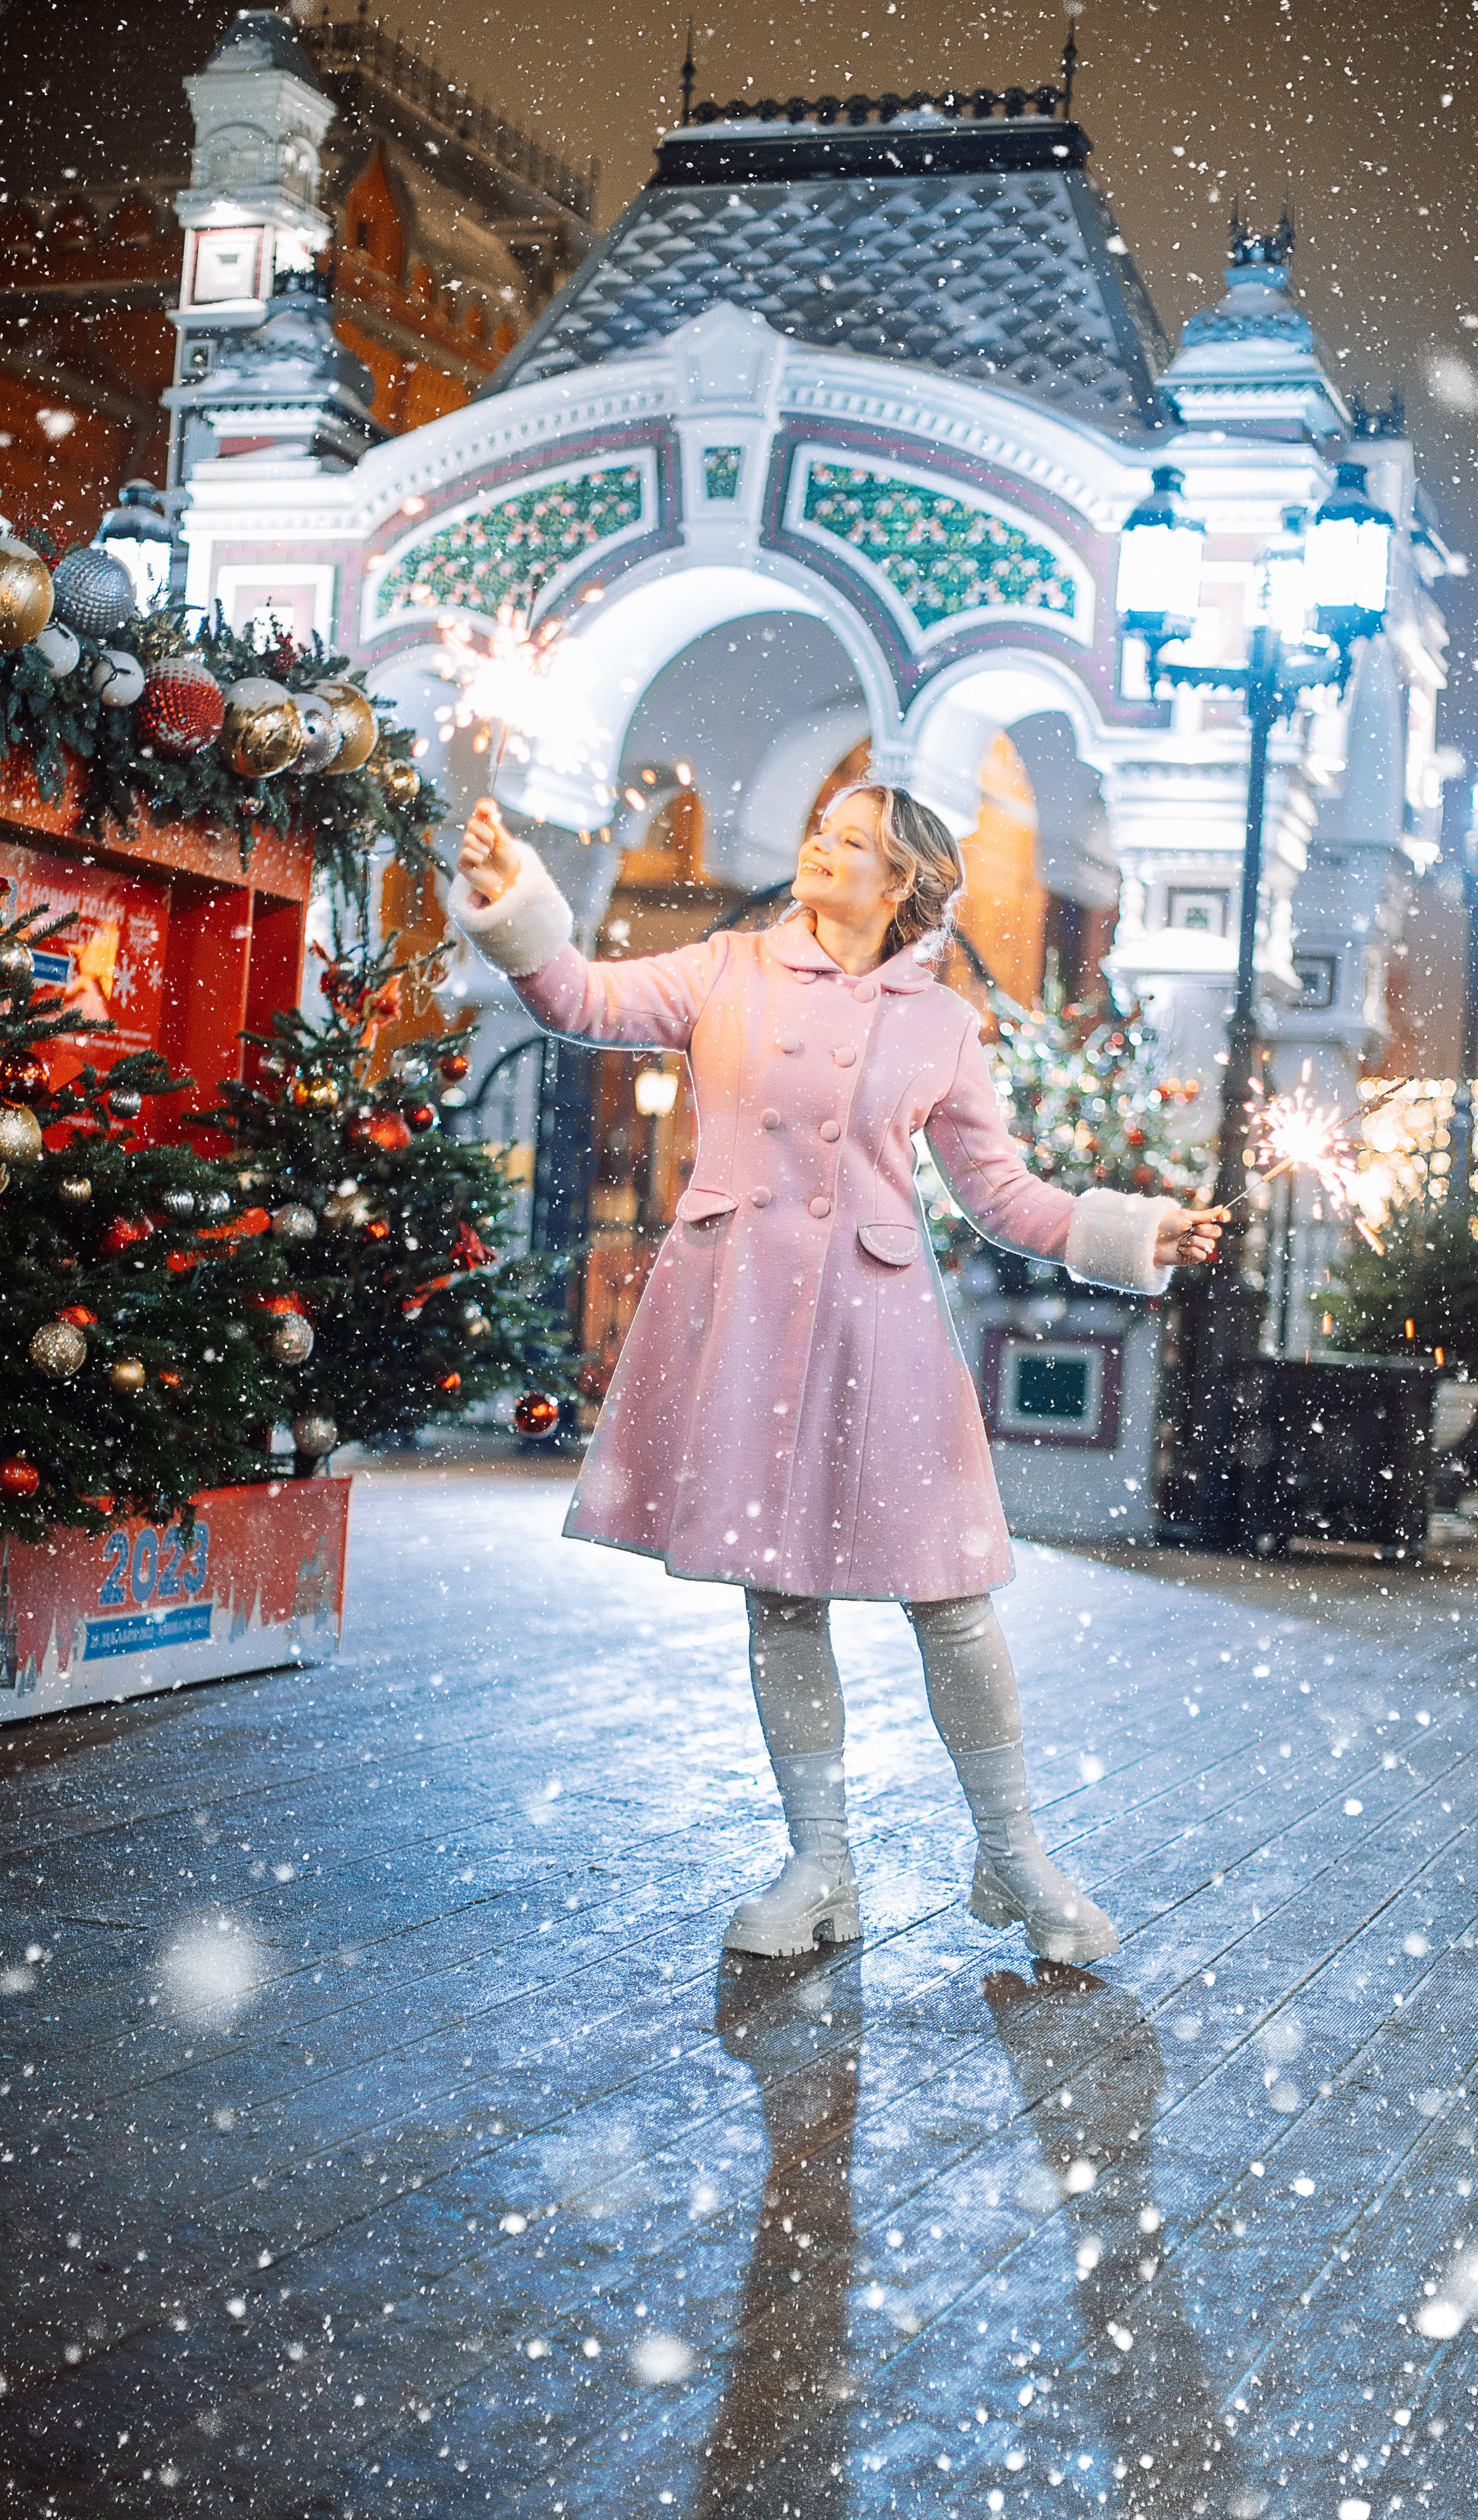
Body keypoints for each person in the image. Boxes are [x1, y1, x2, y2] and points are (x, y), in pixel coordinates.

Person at [450, 782, 1220, 1967]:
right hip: (746, 1318)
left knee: (951, 1598)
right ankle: (821, 1866)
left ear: (899, 883)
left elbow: (1001, 1197)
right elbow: (581, 997)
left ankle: (1013, 1857)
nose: (821, 843)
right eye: (822, 825)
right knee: (782, 1593)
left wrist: (1133, 1233)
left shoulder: (941, 1025)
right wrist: (513, 902)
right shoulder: (725, 970)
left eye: (852, 840)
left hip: (881, 1333)